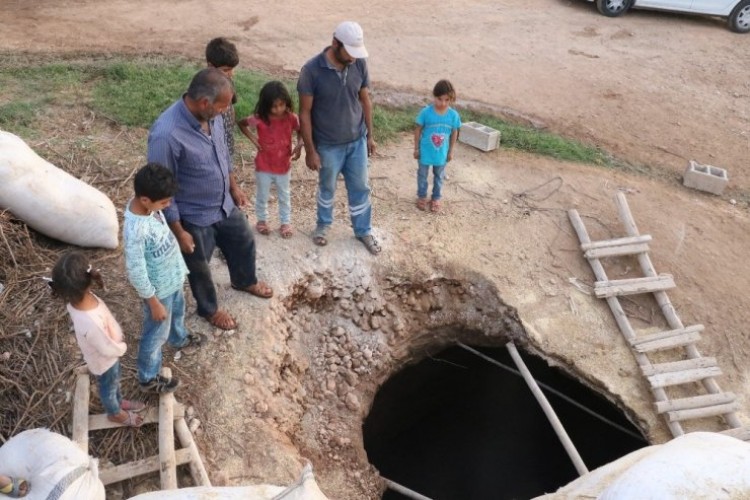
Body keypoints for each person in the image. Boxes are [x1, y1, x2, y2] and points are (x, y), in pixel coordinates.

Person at [147, 68, 273, 332]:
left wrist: (234, 188)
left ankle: (243, 280)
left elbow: (222, 153)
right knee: (199, 266)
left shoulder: (212, 116)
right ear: (205, 102)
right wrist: (179, 231)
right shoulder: (166, 135)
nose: (225, 111)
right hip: (194, 216)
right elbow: (161, 190)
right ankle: (209, 309)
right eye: (222, 106)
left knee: (244, 240)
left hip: (224, 203)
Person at [297, 21, 381, 255]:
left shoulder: (359, 64)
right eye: (350, 53)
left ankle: (363, 230)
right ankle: (323, 226)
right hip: (327, 145)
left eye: (357, 53)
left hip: (357, 141)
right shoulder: (311, 70)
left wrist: (370, 136)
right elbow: (304, 112)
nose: (354, 58)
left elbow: (365, 100)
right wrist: (310, 150)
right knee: (327, 187)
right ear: (335, 43)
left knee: (361, 188)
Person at [123, 163, 206, 393]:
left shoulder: (149, 208)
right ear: (145, 199)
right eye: (164, 203)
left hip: (173, 278)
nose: (168, 206)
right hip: (159, 291)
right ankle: (148, 377)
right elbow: (136, 271)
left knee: (178, 310)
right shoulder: (136, 231)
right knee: (155, 332)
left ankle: (178, 337)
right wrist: (153, 302)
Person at [49, 251, 146, 427]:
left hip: (104, 356)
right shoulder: (90, 323)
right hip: (105, 361)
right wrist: (121, 347)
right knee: (108, 388)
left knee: (113, 383)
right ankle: (115, 413)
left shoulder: (76, 302)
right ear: (88, 281)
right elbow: (106, 348)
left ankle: (118, 401)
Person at [238, 81, 302, 239]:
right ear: (266, 106)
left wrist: (300, 145)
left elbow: (302, 130)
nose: (279, 109)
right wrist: (253, 139)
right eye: (274, 106)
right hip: (264, 166)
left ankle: (285, 222)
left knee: (284, 195)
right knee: (262, 194)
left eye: (282, 105)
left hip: (283, 166)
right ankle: (262, 220)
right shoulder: (259, 119)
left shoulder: (291, 118)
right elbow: (241, 123)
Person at [413, 79, 462, 213]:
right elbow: (417, 129)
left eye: (447, 100)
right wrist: (416, 148)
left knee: (439, 176)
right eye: (440, 99)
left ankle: (436, 198)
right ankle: (422, 196)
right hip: (425, 152)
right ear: (434, 96)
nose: (443, 103)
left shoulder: (453, 115)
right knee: (422, 175)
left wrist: (451, 151)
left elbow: (454, 132)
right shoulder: (426, 112)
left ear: (451, 99)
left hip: (442, 153)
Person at [205, 37, 240, 157]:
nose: (231, 74)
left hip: (228, 137)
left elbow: (232, 106)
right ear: (210, 66)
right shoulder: (204, 92)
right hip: (212, 143)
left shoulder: (228, 82)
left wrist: (231, 126)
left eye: (232, 69)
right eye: (226, 70)